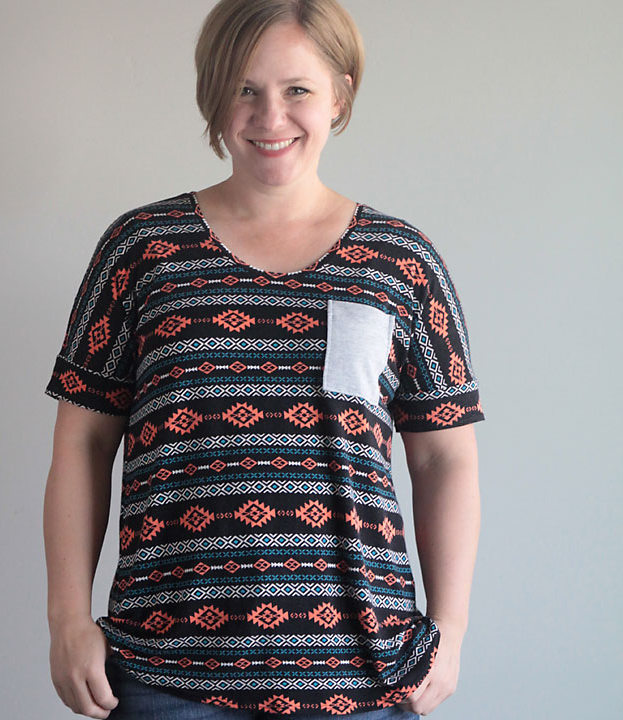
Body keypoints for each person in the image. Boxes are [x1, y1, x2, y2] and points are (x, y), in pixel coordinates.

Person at [43, 1, 484, 718]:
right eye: (244, 88)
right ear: (213, 93)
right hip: (164, 674)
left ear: (340, 92)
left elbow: (446, 459)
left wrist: (453, 631)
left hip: (364, 677)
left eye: (297, 89)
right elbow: (83, 443)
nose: (268, 115)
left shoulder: (401, 262)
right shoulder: (141, 250)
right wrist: (67, 620)